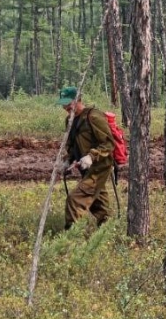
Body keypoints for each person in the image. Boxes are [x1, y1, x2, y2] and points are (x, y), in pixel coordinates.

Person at [57, 86, 115, 229]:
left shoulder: (93, 116)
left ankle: (71, 238)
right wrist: (68, 161)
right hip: (85, 167)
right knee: (98, 204)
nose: (65, 107)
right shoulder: (69, 120)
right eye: (63, 104)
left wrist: (91, 156)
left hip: (99, 167)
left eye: (68, 103)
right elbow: (72, 144)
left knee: (75, 200)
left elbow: (108, 143)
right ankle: (107, 231)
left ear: (78, 100)